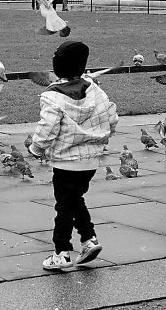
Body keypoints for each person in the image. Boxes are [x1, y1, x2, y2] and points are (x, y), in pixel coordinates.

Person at [27, 41, 118, 270]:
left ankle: (61, 252)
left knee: (64, 207)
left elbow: (47, 128)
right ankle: (89, 240)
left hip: (66, 162)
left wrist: (36, 149)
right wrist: (104, 135)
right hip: (90, 160)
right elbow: (111, 116)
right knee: (75, 199)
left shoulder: (52, 97)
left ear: (57, 68)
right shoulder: (95, 89)